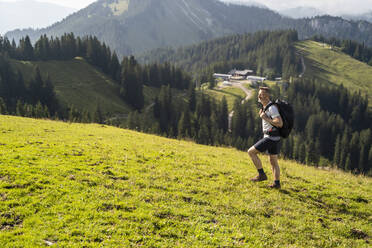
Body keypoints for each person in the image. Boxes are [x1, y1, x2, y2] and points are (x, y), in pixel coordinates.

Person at [248, 87, 283, 189]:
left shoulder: (271, 108)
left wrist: (265, 118)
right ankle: (277, 184)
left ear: (267, 96)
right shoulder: (265, 107)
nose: (259, 96)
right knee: (273, 161)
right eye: (259, 94)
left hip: (270, 138)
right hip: (274, 137)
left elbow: (279, 123)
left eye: (262, 94)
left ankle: (261, 175)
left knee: (251, 152)